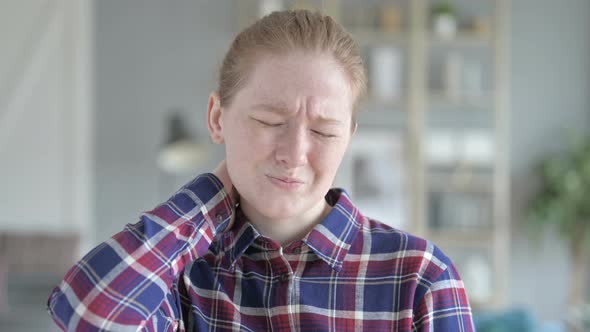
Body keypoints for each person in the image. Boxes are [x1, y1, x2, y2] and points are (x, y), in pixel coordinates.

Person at [47, 9, 474, 331]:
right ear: (217, 117)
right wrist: (214, 193)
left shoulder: (420, 276)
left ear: (349, 137)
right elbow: (88, 314)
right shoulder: (178, 277)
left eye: (324, 132)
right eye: (270, 122)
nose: (294, 152)